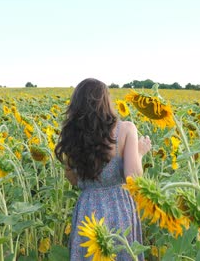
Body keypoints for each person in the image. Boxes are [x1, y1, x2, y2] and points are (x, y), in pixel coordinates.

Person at [55, 78, 151, 260]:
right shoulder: (126, 129)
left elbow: (73, 179)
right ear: (106, 101)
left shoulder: (72, 135)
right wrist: (139, 152)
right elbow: (133, 178)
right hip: (120, 207)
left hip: (88, 209)